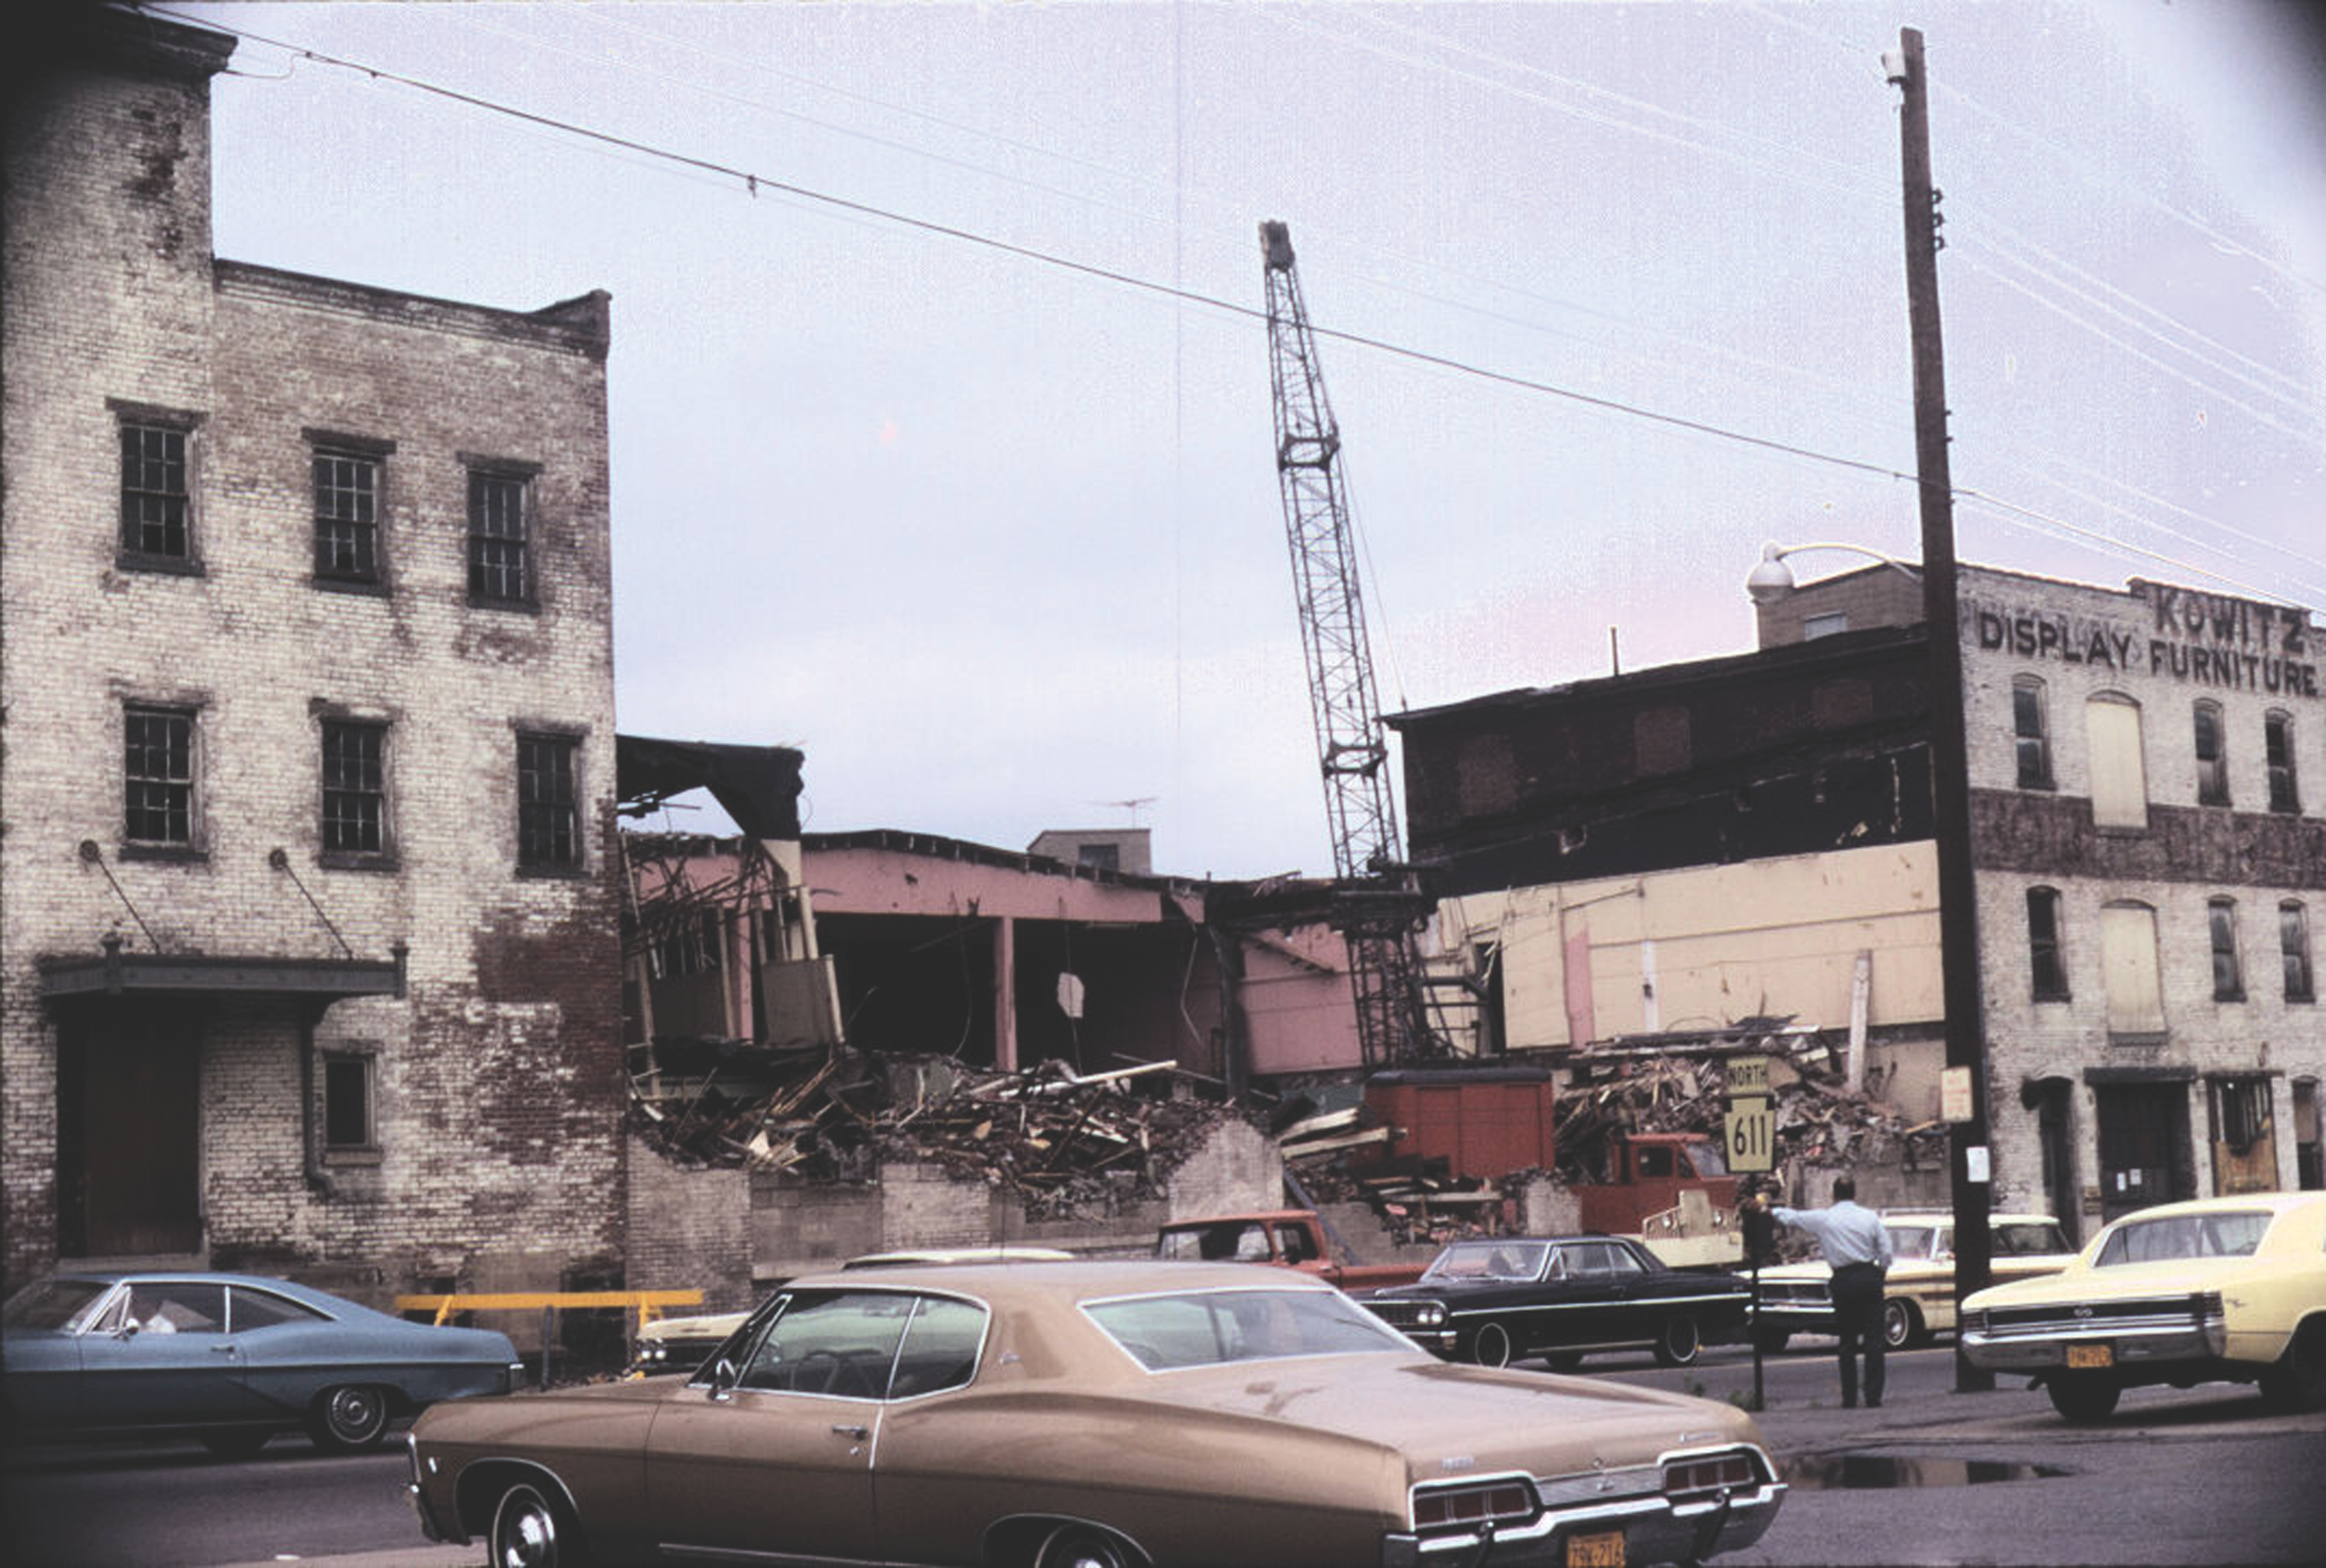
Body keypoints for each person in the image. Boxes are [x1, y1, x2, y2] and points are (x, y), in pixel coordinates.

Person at [1760, 1177, 1893, 1408]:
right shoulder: (1870, 1217)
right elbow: (1887, 1252)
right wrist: (1879, 1273)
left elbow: (1794, 1218)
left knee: (1847, 1340)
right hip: (1869, 1277)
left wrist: (1769, 1210)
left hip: (1843, 1279)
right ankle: (1873, 1396)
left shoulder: (1825, 1218)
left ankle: (1849, 1398)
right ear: (1854, 1194)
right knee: (1874, 1341)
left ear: (1834, 1195)